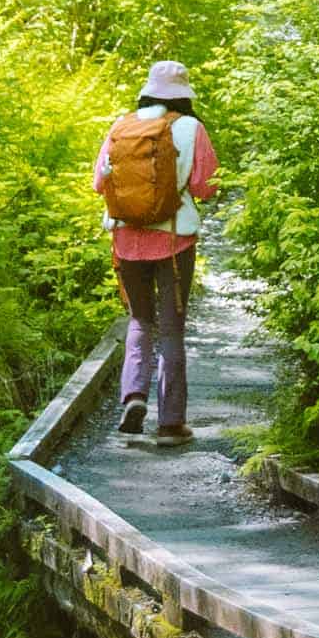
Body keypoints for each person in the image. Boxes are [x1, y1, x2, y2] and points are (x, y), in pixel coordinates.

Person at [93, 60, 220, 443]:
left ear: (147, 91)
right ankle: (170, 424)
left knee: (138, 320)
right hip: (173, 239)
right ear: (184, 94)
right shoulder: (191, 128)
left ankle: (133, 396)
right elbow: (204, 187)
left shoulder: (122, 125)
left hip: (126, 240)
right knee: (171, 330)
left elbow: (100, 182)